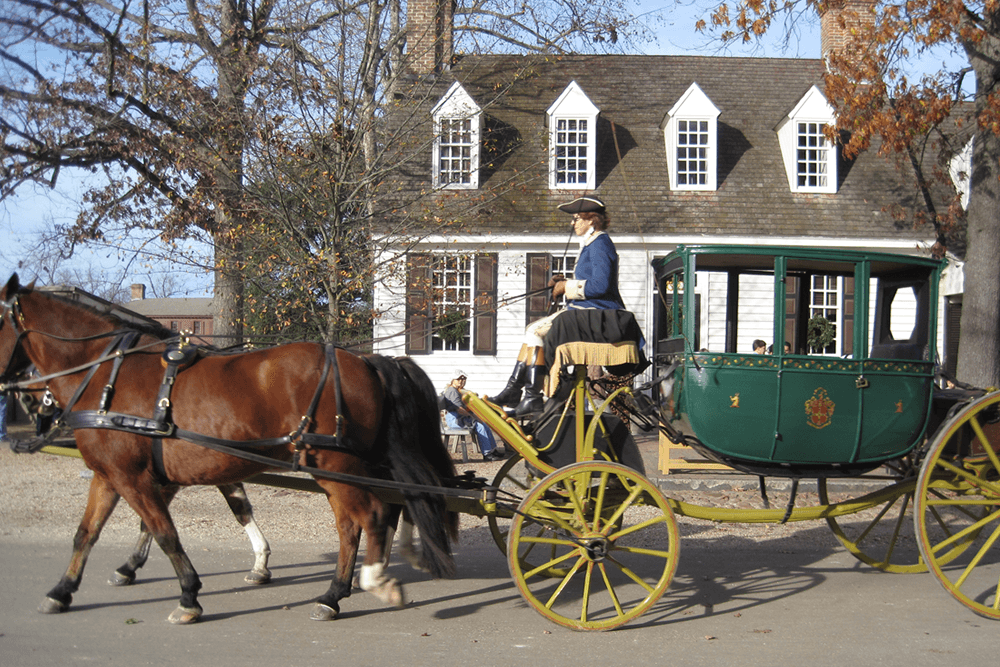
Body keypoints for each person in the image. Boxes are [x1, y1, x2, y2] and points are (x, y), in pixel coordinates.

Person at [491, 196, 624, 415]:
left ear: (591, 220)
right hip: (589, 313)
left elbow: (601, 285)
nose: (573, 224)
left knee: (534, 331)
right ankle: (515, 391)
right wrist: (561, 282)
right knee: (532, 331)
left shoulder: (601, 243)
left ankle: (529, 396)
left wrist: (566, 287)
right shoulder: (593, 244)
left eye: (577, 219)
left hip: (600, 316)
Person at [442, 370, 503, 461]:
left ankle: (492, 450)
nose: (461, 381)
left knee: (484, 424)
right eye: (459, 378)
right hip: (455, 420)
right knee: (480, 426)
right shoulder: (452, 391)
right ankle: (487, 454)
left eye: (463, 378)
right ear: (452, 380)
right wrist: (474, 417)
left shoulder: (457, 391)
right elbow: (460, 410)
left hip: (459, 418)